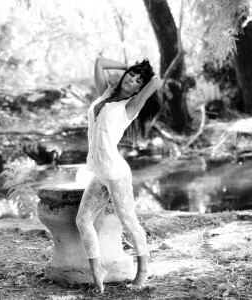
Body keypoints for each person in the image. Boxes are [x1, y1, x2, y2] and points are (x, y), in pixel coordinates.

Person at [76, 57, 161, 293]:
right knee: (82, 220)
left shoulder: (131, 107)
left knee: (128, 220)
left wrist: (143, 76)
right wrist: (128, 67)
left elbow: (156, 80)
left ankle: (142, 271)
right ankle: (97, 270)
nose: (131, 80)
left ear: (139, 88)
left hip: (116, 174)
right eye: (130, 76)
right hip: (99, 171)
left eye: (136, 81)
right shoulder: (105, 95)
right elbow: (100, 62)